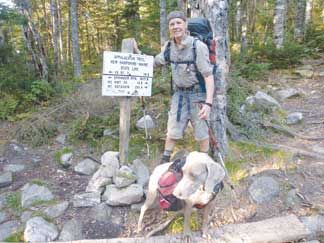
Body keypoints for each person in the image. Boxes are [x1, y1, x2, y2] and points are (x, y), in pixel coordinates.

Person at [135, 11, 214, 163]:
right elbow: (155, 62)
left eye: (178, 23)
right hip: (179, 95)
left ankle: (205, 163)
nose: (175, 26)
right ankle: (164, 161)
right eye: (172, 24)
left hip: (198, 95)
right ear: (169, 28)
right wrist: (138, 56)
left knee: (201, 132)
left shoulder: (198, 47)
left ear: (185, 25)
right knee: (172, 129)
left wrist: (208, 103)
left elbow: (208, 76)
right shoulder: (169, 47)